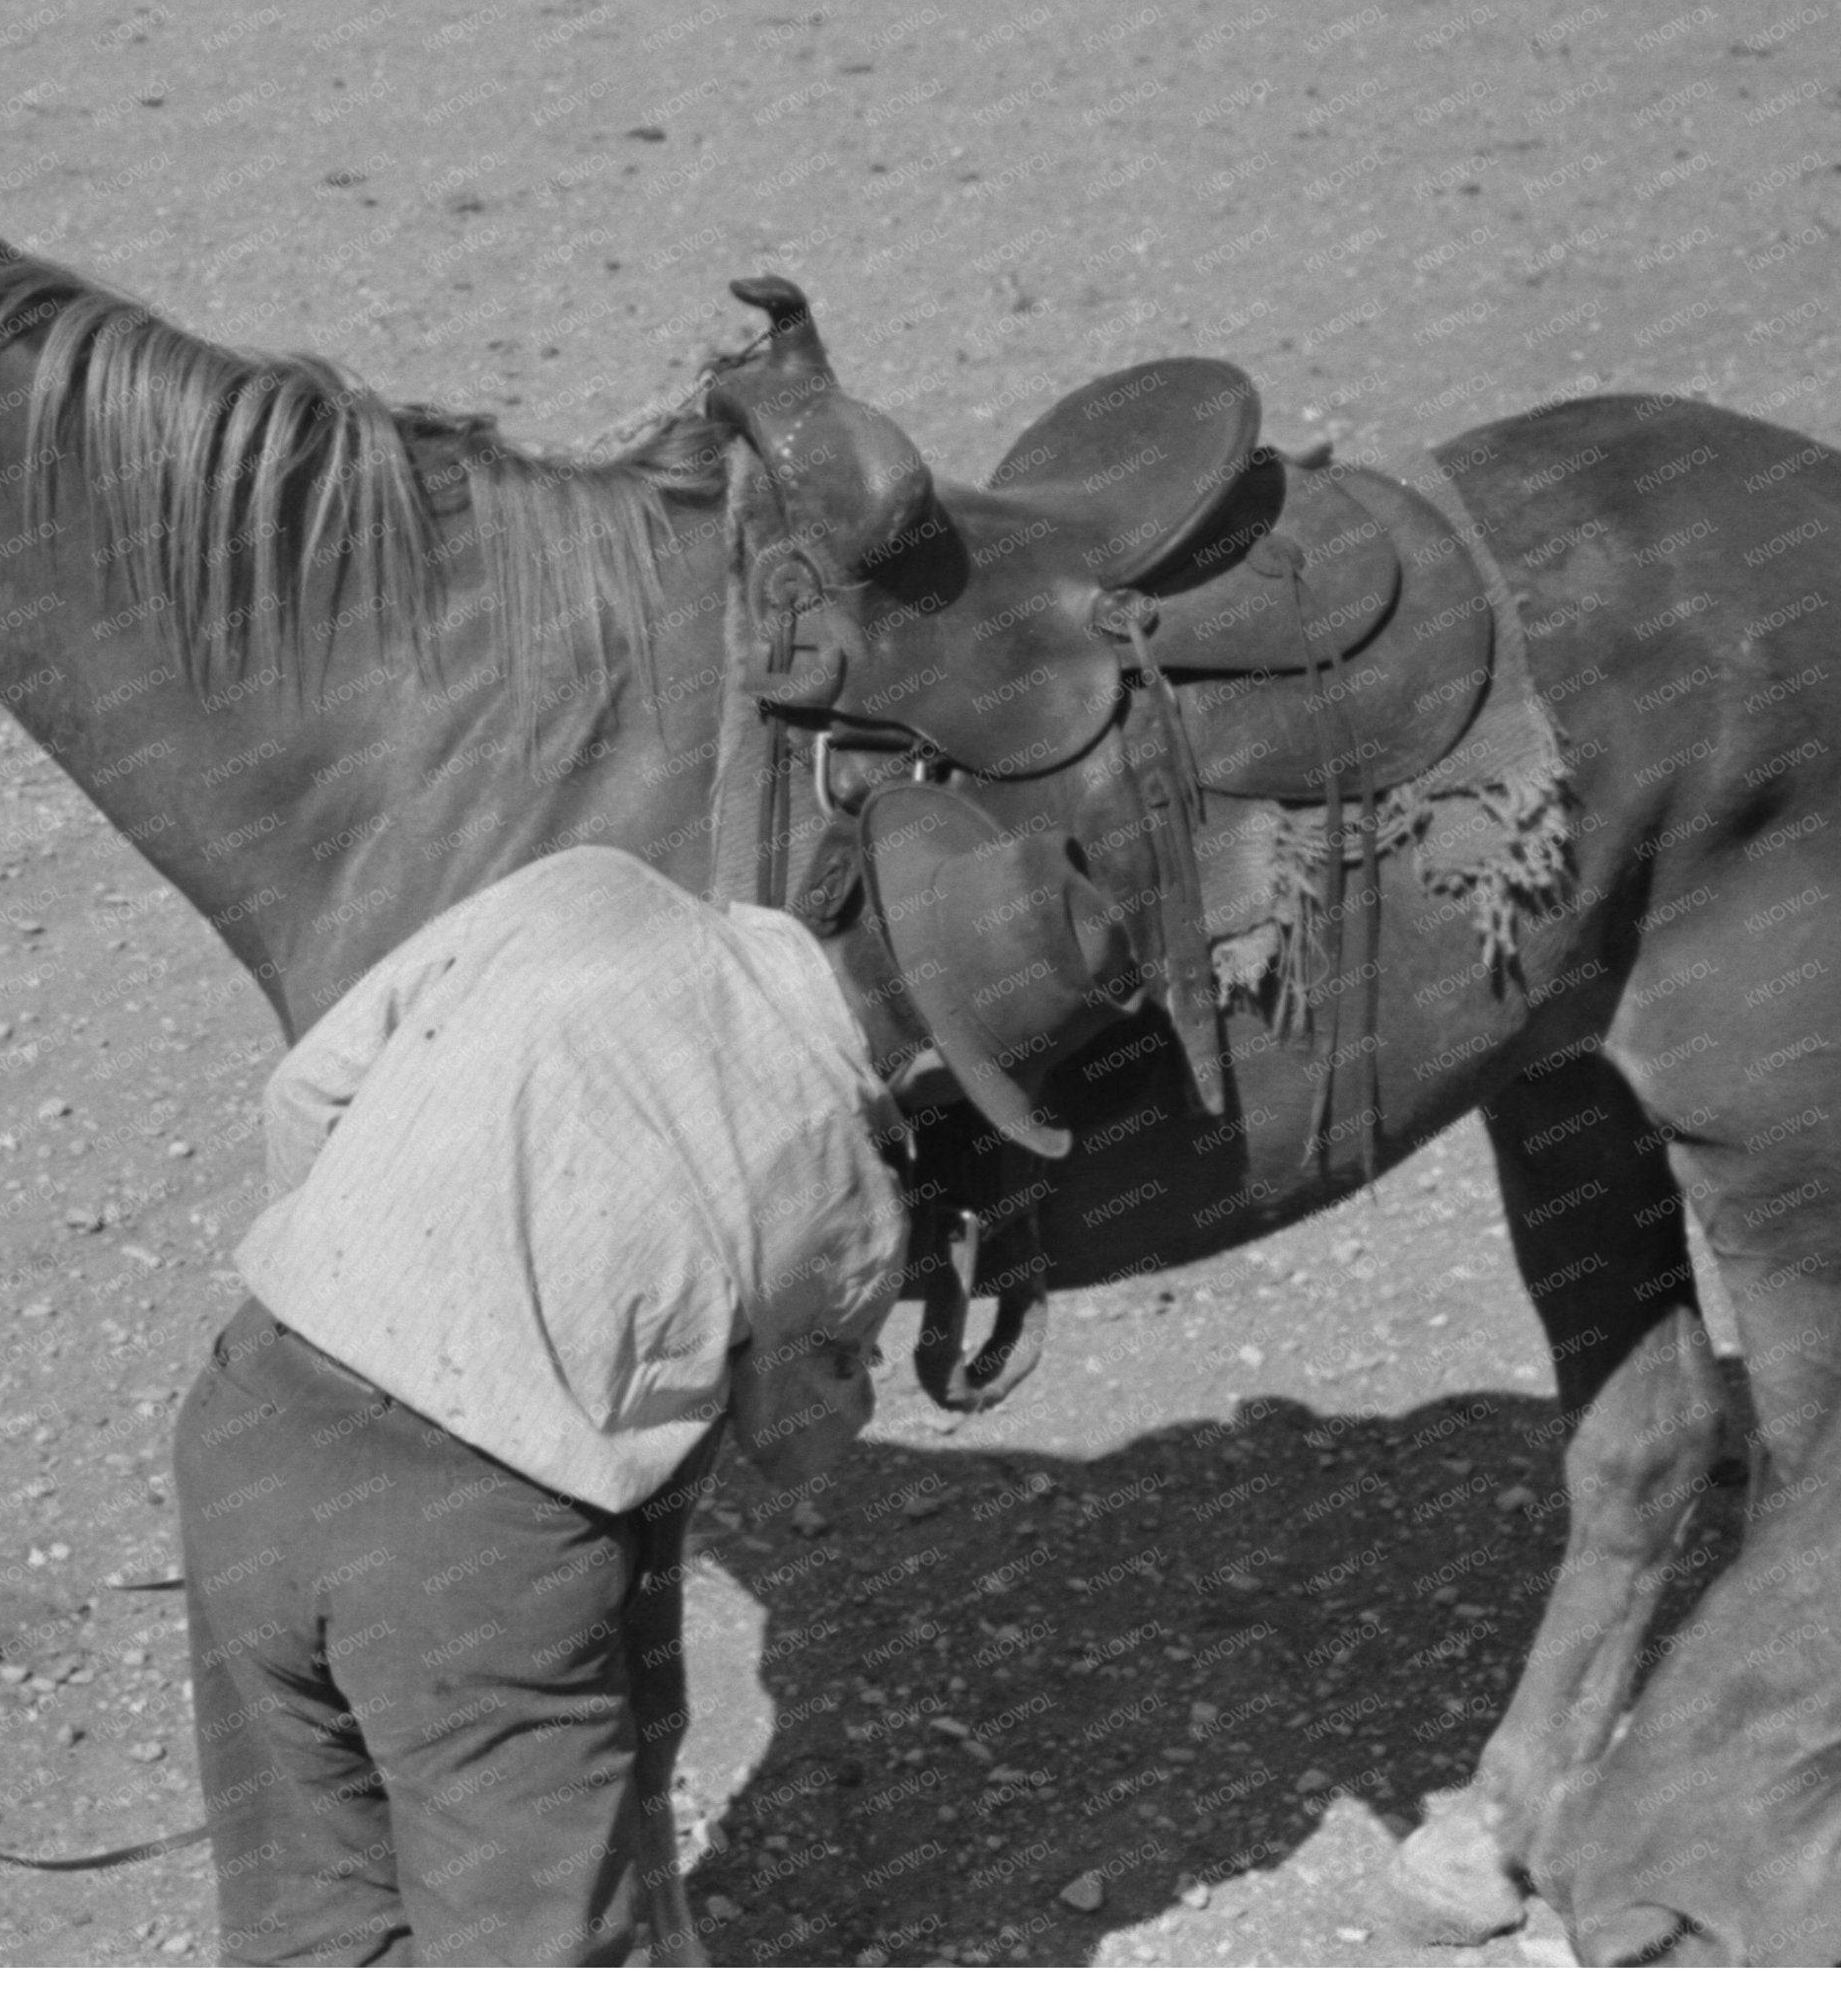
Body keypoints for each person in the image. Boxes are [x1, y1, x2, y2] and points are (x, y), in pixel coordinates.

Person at [169, 819, 1129, 1966]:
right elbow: (790, 1440)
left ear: (850, 892)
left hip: (251, 1415)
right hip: (470, 1560)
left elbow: (305, 1094)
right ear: (941, 1063)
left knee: (306, 1928)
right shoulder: (842, 1192)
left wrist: (368, 1301)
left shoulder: (585, 887)